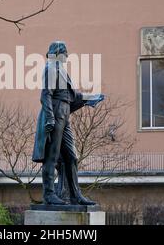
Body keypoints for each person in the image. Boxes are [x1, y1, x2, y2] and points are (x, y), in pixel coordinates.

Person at [32, 41, 104, 205]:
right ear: (57, 53)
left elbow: (71, 97)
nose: (67, 56)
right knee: (52, 156)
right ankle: (49, 194)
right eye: (65, 53)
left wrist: (90, 98)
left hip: (64, 116)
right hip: (55, 114)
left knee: (71, 157)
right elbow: (46, 95)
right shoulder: (50, 68)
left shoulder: (61, 71)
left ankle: (75, 195)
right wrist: (50, 118)